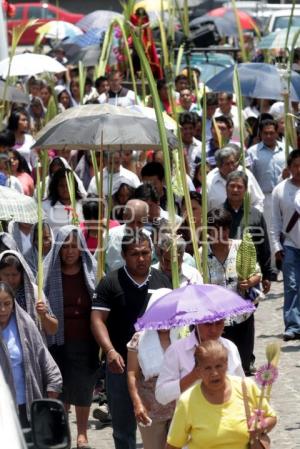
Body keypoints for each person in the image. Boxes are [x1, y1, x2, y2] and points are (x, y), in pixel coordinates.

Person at [91, 231, 172, 449]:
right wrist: (109, 351)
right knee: (123, 429)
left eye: (146, 253)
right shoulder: (110, 282)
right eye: (135, 254)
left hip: (157, 368)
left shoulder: (161, 280)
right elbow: (97, 320)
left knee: (163, 425)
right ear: (124, 255)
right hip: (121, 365)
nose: (141, 258)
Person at [43, 226, 99, 448]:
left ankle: (82, 433)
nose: (69, 252)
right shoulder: (48, 273)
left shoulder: (93, 269)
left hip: (86, 339)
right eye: (64, 247)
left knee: (83, 387)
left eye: (74, 246)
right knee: (61, 387)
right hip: (57, 340)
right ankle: (63, 430)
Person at [166, 340, 277, 449]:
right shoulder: (187, 401)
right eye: (208, 368)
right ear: (198, 371)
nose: (214, 373)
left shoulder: (246, 387)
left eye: (219, 366)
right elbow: (173, 445)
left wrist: (261, 426)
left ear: (227, 365)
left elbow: (272, 417)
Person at [206, 208, 261, 374]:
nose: (220, 234)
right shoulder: (202, 255)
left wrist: (249, 281)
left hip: (242, 316)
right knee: (221, 365)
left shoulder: (241, 247)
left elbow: (257, 273)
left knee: (242, 365)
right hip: (216, 321)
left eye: (224, 229)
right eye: (215, 230)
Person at [0, 282, 62, 428]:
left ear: (13, 304)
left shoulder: (26, 325)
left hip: (26, 405)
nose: (2, 309)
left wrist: (52, 388)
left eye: (7, 304)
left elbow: (43, 357)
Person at [127, 289, 178, 449]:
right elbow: (132, 374)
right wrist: (137, 403)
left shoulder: (182, 336)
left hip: (179, 407)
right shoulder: (139, 339)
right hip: (150, 409)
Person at [155, 319, 244, 406]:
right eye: (207, 324)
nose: (213, 329)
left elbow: (243, 386)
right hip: (191, 418)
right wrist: (193, 376)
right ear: (196, 322)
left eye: (218, 323)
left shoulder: (230, 347)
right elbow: (161, 395)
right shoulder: (177, 350)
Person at [224, 170, 272, 294]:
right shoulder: (217, 214)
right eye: (232, 186)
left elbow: (264, 246)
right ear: (226, 188)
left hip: (250, 275)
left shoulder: (256, 215)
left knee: (249, 311)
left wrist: (266, 275)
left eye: (239, 187)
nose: (235, 190)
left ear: (245, 190)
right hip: (224, 275)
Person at [271, 149, 300, 341]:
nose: (299, 169)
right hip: (290, 245)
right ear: (288, 168)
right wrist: (276, 247)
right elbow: (275, 221)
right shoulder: (279, 190)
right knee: (291, 285)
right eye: (295, 165)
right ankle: (293, 325)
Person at [0, 250, 58, 336]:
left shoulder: (35, 293)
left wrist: (44, 316)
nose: (10, 279)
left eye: (14, 275)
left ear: (22, 273)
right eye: (6, 275)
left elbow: (53, 330)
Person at [207, 147, 264, 212]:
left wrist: (253, 217)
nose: (231, 167)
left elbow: (258, 201)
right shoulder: (209, 181)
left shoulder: (246, 174)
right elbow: (204, 209)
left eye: (233, 163)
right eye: (227, 164)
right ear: (219, 166)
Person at [105, 199, 149, 272]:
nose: (135, 227)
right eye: (131, 222)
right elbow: (97, 263)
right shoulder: (110, 236)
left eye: (139, 222)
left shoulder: (151, 238)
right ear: (124, 217)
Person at [42, 168, 84, 234]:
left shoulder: (82, 205)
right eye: (61, 186)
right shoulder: (45, 206)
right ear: (56, 187)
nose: (65, 189)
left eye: (68, 185)